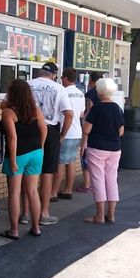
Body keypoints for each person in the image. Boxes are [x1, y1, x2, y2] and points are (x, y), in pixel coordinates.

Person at [0, 79, 47, 239]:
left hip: (18, 155)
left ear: (11, 93)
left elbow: (12, 138)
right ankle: (36, 228)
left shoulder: (9, 113)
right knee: (33, 191)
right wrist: (39, 147)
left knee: (14, 193)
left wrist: (12, 160)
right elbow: (44, 129)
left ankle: (13, 230)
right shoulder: (36, 111)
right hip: (36, 153)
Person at [26, 61, 73, 225]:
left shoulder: (27, 85)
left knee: (27, 171)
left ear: (40, 72)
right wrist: (62, 135)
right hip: (50, 131)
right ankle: (44, 213)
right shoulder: (59, 88)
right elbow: (68, 114)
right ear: (53, 74)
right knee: (47, 172)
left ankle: (25, 214)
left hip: (28, 130)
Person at [80, 78, 124, 224]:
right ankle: (111, 214)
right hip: (114, 149)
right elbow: (121, 131)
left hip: (97, 148)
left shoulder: (96, 108)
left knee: (98, 180)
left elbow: (87, 129)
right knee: (111, 180)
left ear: (99, 91)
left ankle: (99, 216)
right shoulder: (117, 108)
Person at [51, 68, 86, 200]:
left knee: (59, 163)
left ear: (65, 78)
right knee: (71, 162)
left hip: (65, 132)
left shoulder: (62, 92)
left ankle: (53, 192)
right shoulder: (80, 93)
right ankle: (68, 190)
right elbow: (81, 114)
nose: (60, 80)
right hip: (77, 132)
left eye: (61, 78)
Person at [76, 71, 104, 194]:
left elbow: (88, 110)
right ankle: (96, 183)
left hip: (90, 127)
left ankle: (87, 184)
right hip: (102, 130)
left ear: (91, 81)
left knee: (85, 155)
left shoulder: (90, 94)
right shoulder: (105, 94)